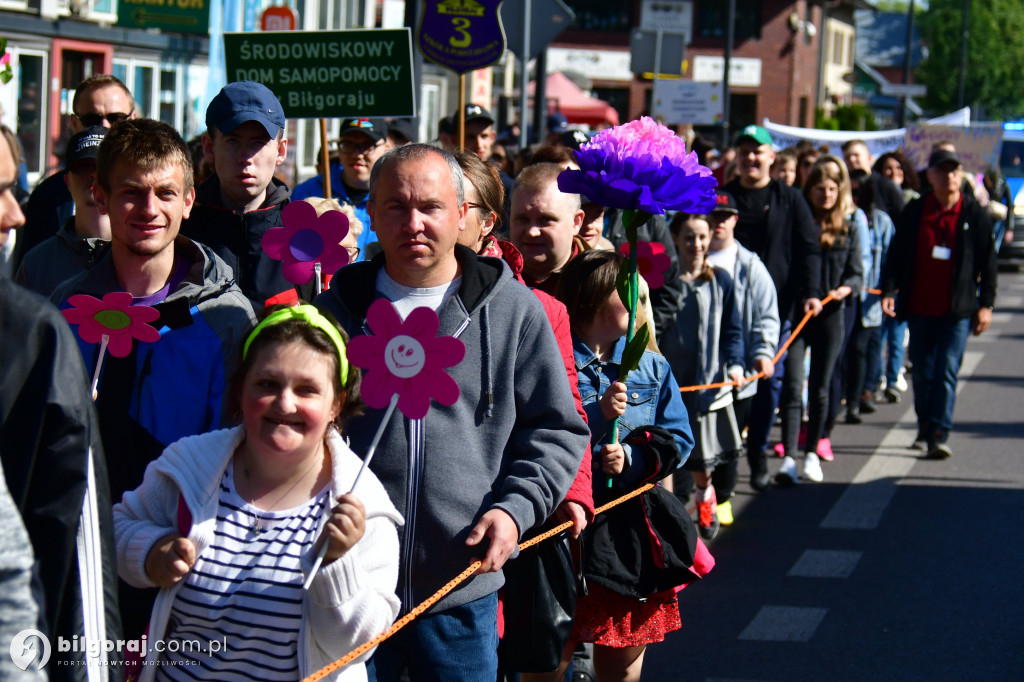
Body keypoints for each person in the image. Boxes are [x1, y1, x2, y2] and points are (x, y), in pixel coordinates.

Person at [314, 144, 589, 681]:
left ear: (463, 214)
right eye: (395, 207)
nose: (413, 223)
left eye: (430, 207)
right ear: (371, 212)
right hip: (352, 583)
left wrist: (515, 510)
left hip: (460, 590)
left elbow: (556, 429)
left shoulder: (515, 312)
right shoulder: (332, 314)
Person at [114, 304, 402, 681]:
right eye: (267, 384)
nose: (285, 403)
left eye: (307, 390)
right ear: (240, 392)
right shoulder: (189, 468)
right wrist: (150, 553)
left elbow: (355, 645)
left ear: (337, 403)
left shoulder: (362, 506)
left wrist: (337, 563)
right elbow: (115, 529)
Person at [50, 118, 257, 639]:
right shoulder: (61, 311)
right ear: (99, 195)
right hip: (85, 557)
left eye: (165, 193)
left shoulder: (227, 317)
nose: (149, 210)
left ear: (189, 200)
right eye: (131, 193)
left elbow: (247, 447)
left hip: (189, 564)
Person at [0, 123, 123, 679]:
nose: (15, 216)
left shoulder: (30, 336)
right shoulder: (36, 314)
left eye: (14, 190)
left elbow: (73, 537)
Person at [544, 249, 694, 682]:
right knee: (551, 657)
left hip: (626, 531)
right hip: (562, 527)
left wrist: (632, 457)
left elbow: (679, 440)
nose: (638, 302)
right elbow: (538, 431)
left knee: (622, 662)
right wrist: (595, 417)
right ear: (591, 299)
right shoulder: (555, 359)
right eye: (627, 292)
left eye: (641, 294)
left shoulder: (651, 366)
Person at [881, 148, 997, 459]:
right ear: (930, 176)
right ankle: (924, 425)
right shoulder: (917, 211)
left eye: (955, 171)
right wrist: (890, 290)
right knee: (922, 372)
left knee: (946, 369)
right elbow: (897, 254)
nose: (950, 177)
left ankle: (939, 432)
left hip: (956, 310)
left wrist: (986, 304)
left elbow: (989, 262)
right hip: (919, 307)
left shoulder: (974, 213)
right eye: (943, 171)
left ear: (961, 175)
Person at [724, 124, 822, 491]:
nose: (751, 157)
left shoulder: (790, 197)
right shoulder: (722, 196)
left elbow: (809, 248)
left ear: (771, 157)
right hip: (726, 310)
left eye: (758, 151)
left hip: (776, 310)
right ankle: (727, 461)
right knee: (728, 385)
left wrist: (811, 291)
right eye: (745, 150)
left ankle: (758, 456)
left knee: (768, 385)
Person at [776, 162, 863, 485]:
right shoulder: (800, 225)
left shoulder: (849, 228)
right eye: (819, 189)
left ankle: (812, 451)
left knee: (822, 387)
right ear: (809, 191)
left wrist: (846, 288)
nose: (825, 194)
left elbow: (857, 272)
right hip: (800, 314)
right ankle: (788, 458)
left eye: (831, 189)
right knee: (794, 384)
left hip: (832, 314)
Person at [663, 212, 745, 538]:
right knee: (670, 449)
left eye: (701, 237)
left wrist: (736, 365)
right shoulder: (667, 281)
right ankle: (671, 512)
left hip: (708, 381)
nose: (695, 244)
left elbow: (732, 330)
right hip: (672, 380)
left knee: (703, 453)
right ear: (676, 238)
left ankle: (705, 494)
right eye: (688, 237)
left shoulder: (721, 280)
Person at [181, 81, 296, 308]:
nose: (245, 157)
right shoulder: (180, 232)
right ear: (209, 148)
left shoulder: (305, 235)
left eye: (258, 142)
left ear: (280, 151)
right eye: (233, 141)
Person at [705, 190, 779, 524]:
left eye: (724, 216)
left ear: (734, 220)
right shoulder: (691, 256)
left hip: (737, 372)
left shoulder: (750, 266)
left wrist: (763, 352)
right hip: (698, 370)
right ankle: (697, 494)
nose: (718, 223)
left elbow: (766, 314)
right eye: (712, 216)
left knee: (729, 439)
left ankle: (723, 496)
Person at [14, 74, 136, 269]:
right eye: (92, 119)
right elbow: (31, 276)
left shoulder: (152, 191)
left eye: (116, 118)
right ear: (73, 123)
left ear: (133, 120)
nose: (104, 127)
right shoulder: (48, 196)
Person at [16, 126, 110, 296]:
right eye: (83, 166)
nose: (92, 174)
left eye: (101, 166)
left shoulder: (136, 253)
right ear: (67, 181)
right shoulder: (37, 262)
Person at [292, 117, 392, 261]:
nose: (357, 155)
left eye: (367, 145)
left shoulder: (395, 196)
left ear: (386, 149)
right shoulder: (307, 192)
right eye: (348, 145)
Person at [844, 170, 895, 424]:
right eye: (849, 192)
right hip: (846, 297)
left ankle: (860, 396)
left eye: (858, 193)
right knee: (849, 350)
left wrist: (887, 291)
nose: (853, 197)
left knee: (864, 348)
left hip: (870, 299)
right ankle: (850, 395)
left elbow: (889, 261)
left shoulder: (881, 222)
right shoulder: (844, 218)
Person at [508, 161, 589, 296]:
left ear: (576, 222)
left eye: (546, 219)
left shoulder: (601, 281)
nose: (531, 232)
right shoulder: (486, 277)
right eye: (522, 219)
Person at [842, 139, 904, 219]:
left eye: (856, 155)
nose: (852, 160)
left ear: (869, 158)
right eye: (847, 157)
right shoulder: (841, 189)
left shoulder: (887, 186)